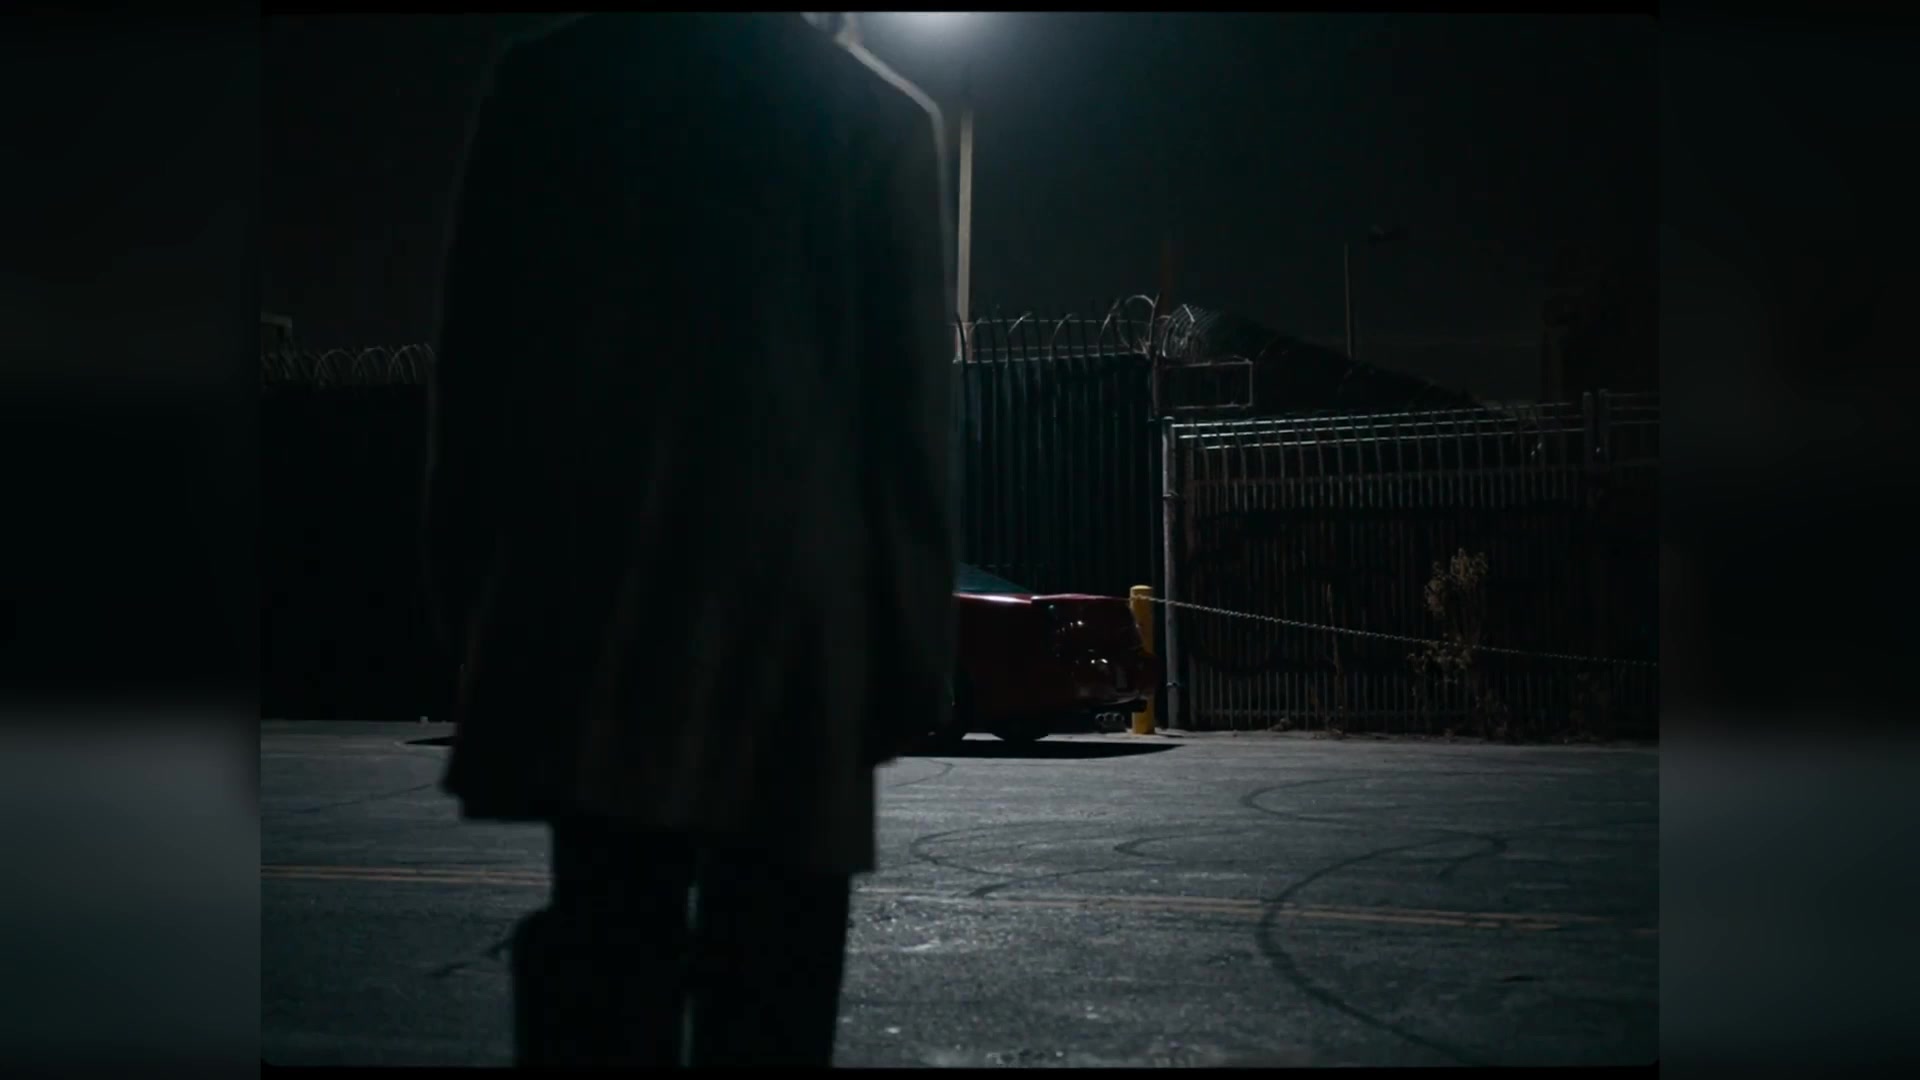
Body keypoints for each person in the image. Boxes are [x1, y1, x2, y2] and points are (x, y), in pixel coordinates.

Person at [421, 12, 955, 1067]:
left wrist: (470, 615)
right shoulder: (874, 119)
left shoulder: (549, 87)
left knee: (608, 956)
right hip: (800, 632)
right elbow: (907, 435)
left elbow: (478, 383)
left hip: (597, 611)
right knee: (777, 985)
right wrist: (911, 658)